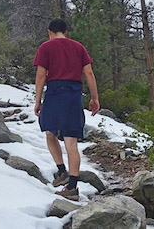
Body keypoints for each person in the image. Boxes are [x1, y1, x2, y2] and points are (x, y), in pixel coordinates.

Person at [33, 19, 99, 201]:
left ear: (49, 32)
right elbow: (89, 73)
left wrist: (38, 100)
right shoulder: (79, 47)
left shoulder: (46, 47)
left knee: (49, 132)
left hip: (54, 93)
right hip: (74, 95)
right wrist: (94, 98)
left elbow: (41, 75)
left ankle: (61, 171)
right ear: (66, 32)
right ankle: (72, 187)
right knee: (71, 142)